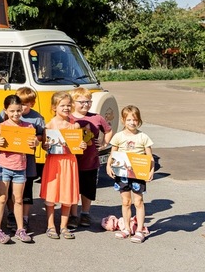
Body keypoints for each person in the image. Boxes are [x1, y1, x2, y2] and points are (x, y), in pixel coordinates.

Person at [0, 95, 37, 244]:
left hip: (20, 168)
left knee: (18, 199)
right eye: (12, 111)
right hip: (4, 167)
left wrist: (35, 142)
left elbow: (33, 145)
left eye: (18, 110)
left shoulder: (28, 127)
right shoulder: (1, 126)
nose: (16, 114)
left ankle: (20, 229)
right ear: (6, 110)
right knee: (2, 198)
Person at [105, 105, 154, 243]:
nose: (132, 122)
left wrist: (151, 170)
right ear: (123, 120)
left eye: (135, 120)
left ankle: (139, 230)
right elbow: (113, 153)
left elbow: (150, 157)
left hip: (138, 174)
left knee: (138, 201)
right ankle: (126, 228)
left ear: (139, 120)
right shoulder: (118, 136)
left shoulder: (143, 137)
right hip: (122, 174)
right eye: (129, 120)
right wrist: (109, 165)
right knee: (126, 202)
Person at [41, 91, 85, 240]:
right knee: (52, 194)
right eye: (62, 105)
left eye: (68, 105)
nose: (66, 108)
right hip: (54, 162)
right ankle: (50, 225)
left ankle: (64, 226)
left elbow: (79, 145)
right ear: (54, 107)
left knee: (67, 193)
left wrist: (82, 145)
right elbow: (44, 145)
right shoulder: (49, 125)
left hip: (69, 162)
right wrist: (45, 146)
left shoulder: (75, 125)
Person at [69, 87, 113, 229]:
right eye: (82, 101)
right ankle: (73, 215)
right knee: (73, 189)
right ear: (73, 102)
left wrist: (104, 142)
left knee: (88, 188)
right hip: (72, 160)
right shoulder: (69, 118)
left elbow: (108, 130)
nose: (86, 104)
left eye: (88, 101)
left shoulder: (96, 117)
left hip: (90, 160)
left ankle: (85, 213)